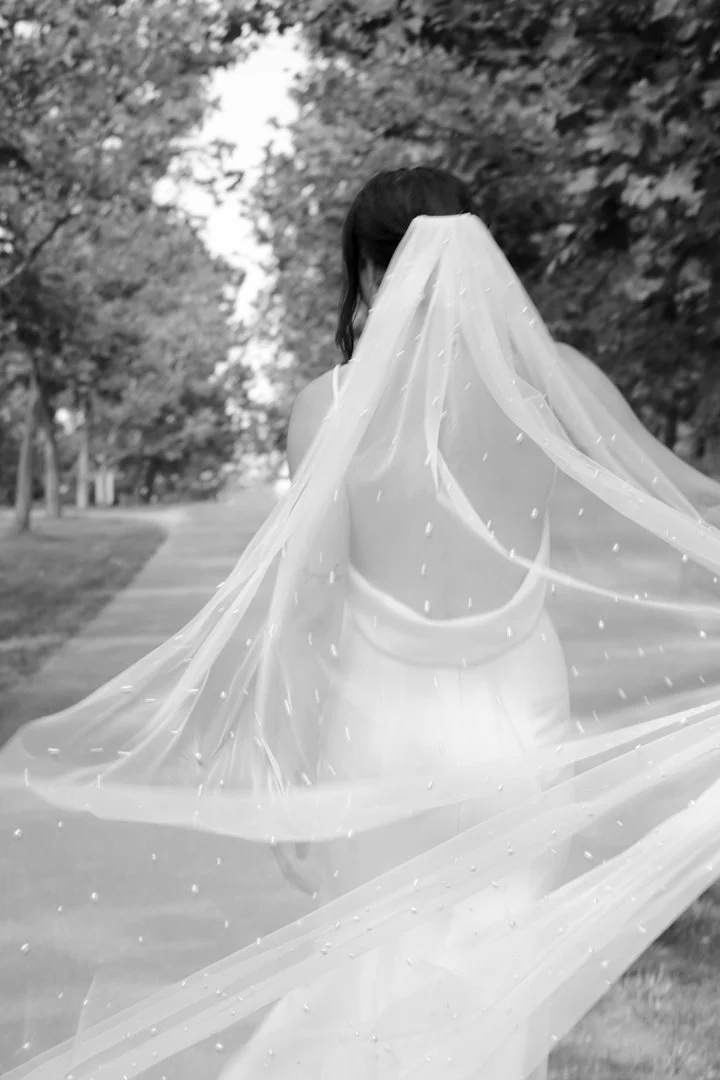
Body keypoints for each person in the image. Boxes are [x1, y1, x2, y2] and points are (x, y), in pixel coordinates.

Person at [2, 166, 720, 1080]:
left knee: (365, 978)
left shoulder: (329, 406)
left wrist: (286, 774)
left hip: (378, 737)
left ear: (373, 273)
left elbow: (305, 607)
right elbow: (669, 508)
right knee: (496, 984)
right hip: (522, 736)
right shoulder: (557, 380)